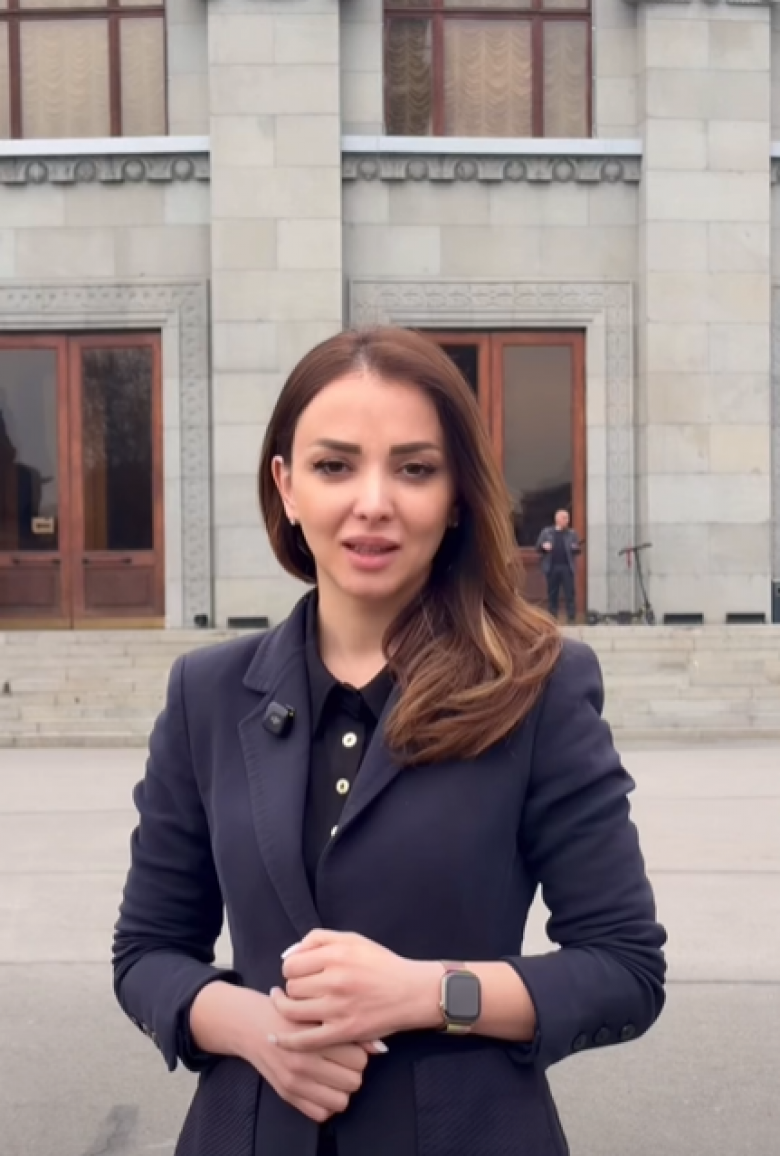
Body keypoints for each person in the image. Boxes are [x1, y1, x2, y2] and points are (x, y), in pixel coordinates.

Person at [113, 327, 666, 1156]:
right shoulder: (207, 694)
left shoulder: (538, 687)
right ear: (286, 487)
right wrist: (260, 1031)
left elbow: (624, 968)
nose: (373, 502)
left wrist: (426, 993)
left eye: (414, 469)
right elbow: (147, 953)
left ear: (456, 497)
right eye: (335, 466)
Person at [536, 509, 582, 623]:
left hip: (567, 567)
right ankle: (552, 617)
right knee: (552, 593)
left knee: (569, 593)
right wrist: (543, 547)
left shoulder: (572, 533)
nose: (567, 520)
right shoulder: (547, 532)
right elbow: (538, 547)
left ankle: (571, 618)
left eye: (567, 518)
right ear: (557, 519)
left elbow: (577, 549)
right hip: (552, 567)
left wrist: (575, 548)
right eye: (564, 518)